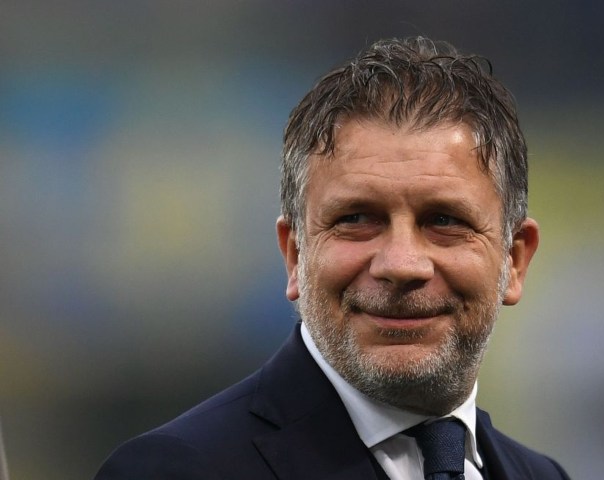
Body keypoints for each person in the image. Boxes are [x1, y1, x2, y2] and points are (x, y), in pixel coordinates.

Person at [95, 36, 570, 480]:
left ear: (514, 260)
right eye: (357, 218)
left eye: (444, 221)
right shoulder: (175, 469)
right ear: (295, 254)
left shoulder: (543, 475)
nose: (401, 264)